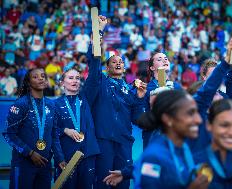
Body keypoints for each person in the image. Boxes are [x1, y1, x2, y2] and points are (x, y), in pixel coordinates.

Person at [87, 22, 147, 188]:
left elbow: (137, 119)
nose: (118, 63)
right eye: (114, 62)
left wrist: (141, 98)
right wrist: (98, 33)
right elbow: (93, 63)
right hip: (104, 140)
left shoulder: (130, 90)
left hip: (124, 142)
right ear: (107, 67)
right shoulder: (100, 83)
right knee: (103, 183)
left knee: (123, 183)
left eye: (121, 61)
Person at [53, 15, 106, 188]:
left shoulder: (85, 98)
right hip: (66, 156)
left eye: (77, 78)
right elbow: (51, 131)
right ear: (62, 82)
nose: (75, 80)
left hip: (88, 154)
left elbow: (95, 69)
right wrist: (65, 130)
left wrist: (97, 35)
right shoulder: (54, 105)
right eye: (70, 78)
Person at [2, 68, 66, 188]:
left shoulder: (51, 105)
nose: (41, 78)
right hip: (23, 164)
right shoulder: (21, 104)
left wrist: (60, 158)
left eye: (43, 76)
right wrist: (30, 153)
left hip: (45, 164)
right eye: (35, 77)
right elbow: (8, 134)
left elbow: (54, 135)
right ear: (28, 82)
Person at [133, 90, 208, 189]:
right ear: (168, 119)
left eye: (197, 112)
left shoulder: (183, 146)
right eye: (190, 113)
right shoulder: (154, 157)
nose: (199, 120)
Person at [142, 52, 182, 149]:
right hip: (154, 137)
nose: (164, 60)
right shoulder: (145, 89)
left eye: (166, 58)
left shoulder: (176, 87)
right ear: (152, 68)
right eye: (159, 59)